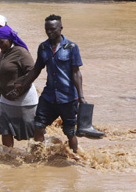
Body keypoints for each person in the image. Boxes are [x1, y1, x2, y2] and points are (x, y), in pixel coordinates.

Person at [13, 15, 88, 152]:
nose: (49, 32)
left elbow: (76, 73)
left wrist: (81, 98)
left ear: (60, 28)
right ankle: (38, 157)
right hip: (49, 97)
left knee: (70, 131)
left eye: (52, 29)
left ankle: (76, 159)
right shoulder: (43, 48)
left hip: (68, 98)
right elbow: (36, 70)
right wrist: (23, 86)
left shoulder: (71, 47)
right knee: (38, 126)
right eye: (46, 29)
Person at [0, 26, 37, 147]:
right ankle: (8, 157)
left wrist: (20, 87)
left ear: (10, 39)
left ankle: (39, 160)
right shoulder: (4, 53)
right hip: (5, 98)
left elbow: (33, 72)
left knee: (33, 132)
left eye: (1, 42)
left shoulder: (21, 52)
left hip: (25, 99)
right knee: (5, 130)